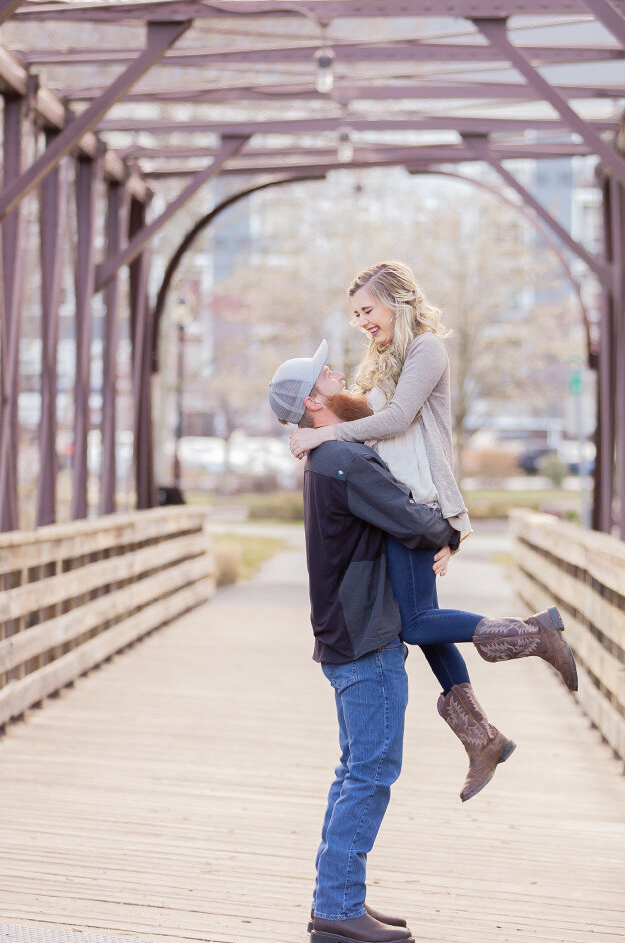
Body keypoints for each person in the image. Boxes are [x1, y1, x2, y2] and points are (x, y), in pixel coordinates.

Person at [289, 264, 577, 803]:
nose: (362, 323)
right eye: (356, 315)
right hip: (401, 501)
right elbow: (361, 411)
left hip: (423, 502)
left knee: (419, 623)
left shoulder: (426, 351)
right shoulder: (382, 356)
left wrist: (324, 434)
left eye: (368, 311)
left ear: (397, 302)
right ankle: (482, 739)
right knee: (422, 625)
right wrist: (309, 429)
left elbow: (395, 419)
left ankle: (535, 635)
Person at [268, 341, 463, 943]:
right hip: (364, 636)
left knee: (356, 769)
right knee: (370, 773)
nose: (338, 372)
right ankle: (338, 910)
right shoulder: (342, 462)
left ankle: (339, 900)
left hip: (349, 633)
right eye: (326, 373)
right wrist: (451, 528)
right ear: (315, 403)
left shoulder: (332, 457)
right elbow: (410, 518)